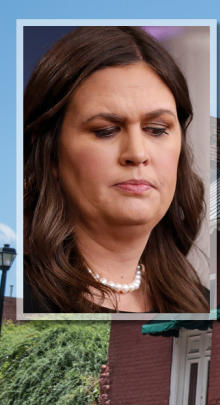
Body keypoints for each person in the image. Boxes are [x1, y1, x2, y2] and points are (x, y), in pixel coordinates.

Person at [23, 26, 209, 313]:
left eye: (157, 130)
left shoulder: (198, 303)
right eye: (105, 130)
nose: (136, 153)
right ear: (50, 155)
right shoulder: (23, 292)